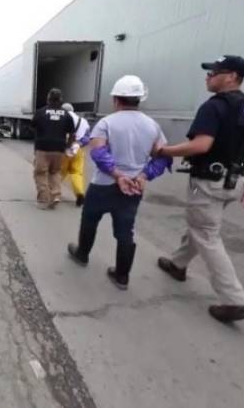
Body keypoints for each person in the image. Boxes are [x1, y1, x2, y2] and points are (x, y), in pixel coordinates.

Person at [156, 55, 244, 323]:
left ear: (232, 77)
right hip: (237, 182)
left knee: (206, 233)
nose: (208, 76)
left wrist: (163, 150)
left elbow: (201, 145)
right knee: (203, 226)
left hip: (210, 182)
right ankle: (178, 264)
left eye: (214, 72)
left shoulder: (214, 106)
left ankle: (234, 300)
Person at [67, 75, 171, 289]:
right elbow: (163, 157)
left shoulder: (106, 123)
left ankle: (82, 254)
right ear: (140, 99)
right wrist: (143, 175)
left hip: (103, 185)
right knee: (125, 231)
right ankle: (122, 276)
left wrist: (117, 175)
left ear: (116, 99)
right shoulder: (153, 126)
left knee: (89, 220)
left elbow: (98, 152)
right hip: (133, 187)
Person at [31, 88, 75, 209]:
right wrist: (68, 146)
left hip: (42, 148)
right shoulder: (66, 115)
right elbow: (72, 133)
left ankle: (43, 200)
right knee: (55, 172)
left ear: (48, 99)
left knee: (40, 173)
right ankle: (55, 195)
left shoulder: (40, 112)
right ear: (61, 100)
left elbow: (33, 127)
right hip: (59, 149)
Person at [59, 102, 90, 207]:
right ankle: (79, 193)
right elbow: (87, 137)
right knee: (77, 173)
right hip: (78, 150)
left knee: (60, 172)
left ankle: (54, 192)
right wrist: (79, 144)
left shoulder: (62, 119)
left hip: (65, 149)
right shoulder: (83, 121)